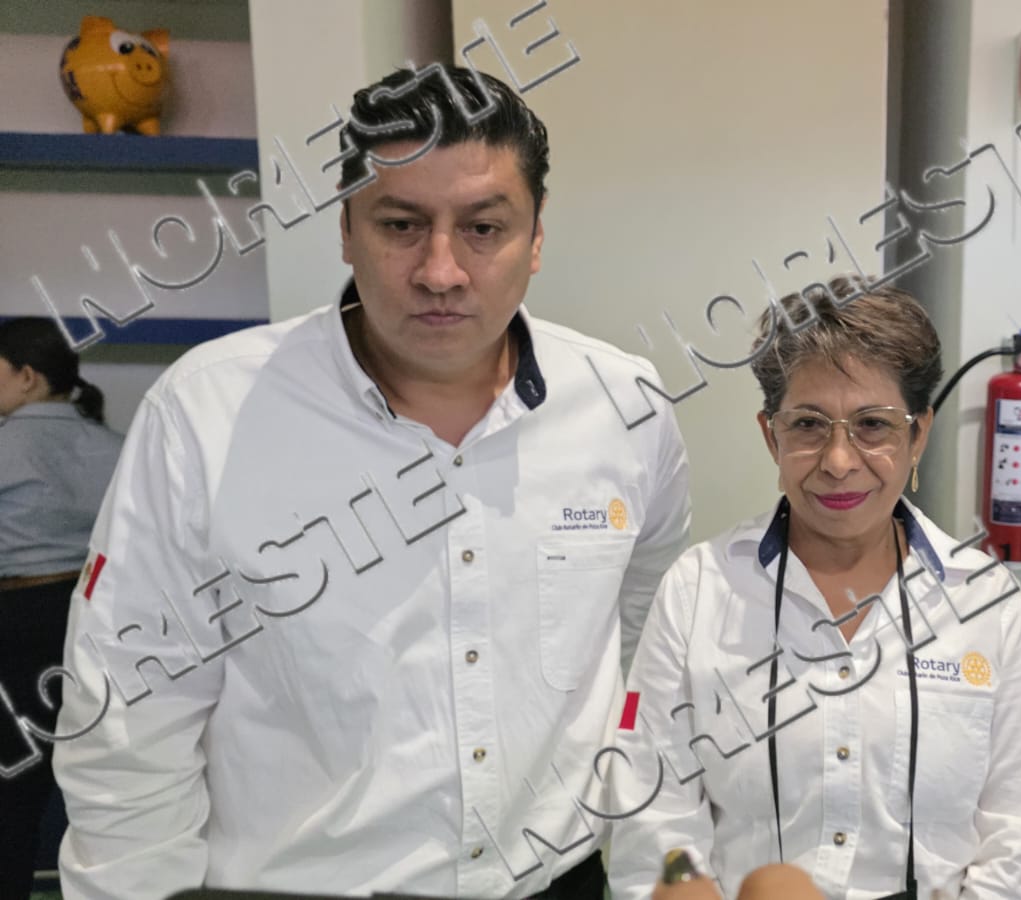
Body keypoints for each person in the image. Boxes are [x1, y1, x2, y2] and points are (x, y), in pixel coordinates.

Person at [51, 65, 691, 899]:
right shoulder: (208, 413)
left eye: (483, 228)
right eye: (400, 224)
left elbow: (644, 648)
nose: (440, 271)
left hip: (557, 880)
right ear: (347, 230)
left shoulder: (624, 406)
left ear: (536, 238)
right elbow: (130, 715)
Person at [608, 278, 1021, 899]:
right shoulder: (697, 592)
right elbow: (651, 808)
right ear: (771, 435)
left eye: (873, 425)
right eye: (808, 425)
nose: (839, 461)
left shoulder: (986, 602)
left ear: (918, 435)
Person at [0, 318, 122, 900]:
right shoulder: (119, 445)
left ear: (27, 376)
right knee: (104, 786)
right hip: (101, 624)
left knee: (11, 792)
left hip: (15, 626)